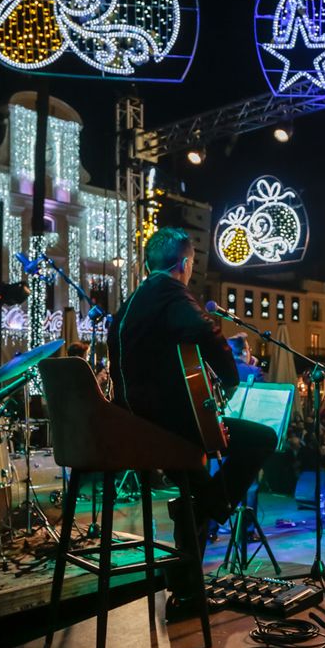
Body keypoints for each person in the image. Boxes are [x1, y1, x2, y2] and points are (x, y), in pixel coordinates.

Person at [108, 227, 277, 618]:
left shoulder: (131, 303)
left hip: (135, 424)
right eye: (192, 264)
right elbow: (205, 329)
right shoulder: (171, 293)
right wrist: (232, 378)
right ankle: (213, 511)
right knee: (261, 439)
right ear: (184, 264)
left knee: (196, 486)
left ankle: (187, 593)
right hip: (166, 428)